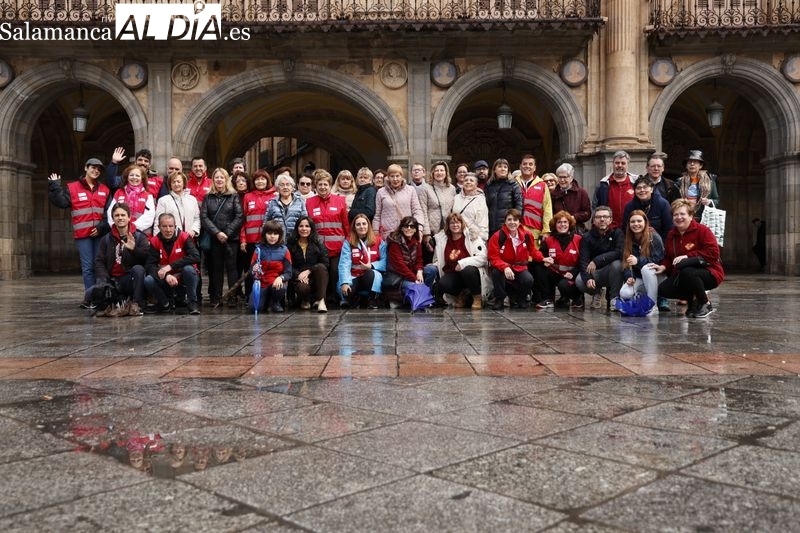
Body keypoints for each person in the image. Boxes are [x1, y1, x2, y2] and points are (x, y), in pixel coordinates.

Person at [48, 157, 111, 308]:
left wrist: (101, 227)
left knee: (100, 266)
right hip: (83, 236)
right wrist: (55, 186)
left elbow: (108, 213)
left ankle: (100, 296)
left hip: (100, 235)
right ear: (86, 168)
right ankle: (90, 297)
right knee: (88, 267)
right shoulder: (72, 187)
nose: (96, 170)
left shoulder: (105, 189)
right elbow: (61, 202)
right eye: (93, 168)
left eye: (98, 169)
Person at [654, 199, 724, 318]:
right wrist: (663, 266)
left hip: (709, 272)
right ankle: (692, 302)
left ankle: (705, 303)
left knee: (686, 268)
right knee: (663, 290)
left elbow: (713, 252)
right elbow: (668, 257)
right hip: (682, 274)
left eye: (682, 214)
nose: (679, 217)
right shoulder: (672, 235)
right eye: (675, 214)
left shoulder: (702, 230)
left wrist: (687, 256)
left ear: (691, 216)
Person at [423, 213, 490, 310]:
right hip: (453, 273)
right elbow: (440, 260)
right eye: (452, 223)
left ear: (462, 224)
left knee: (467, 271)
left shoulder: (472, 237)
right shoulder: (442, 240)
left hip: (470, 273)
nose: (455, 225)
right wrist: (433, 265)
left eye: (458, 222)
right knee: (443, 284)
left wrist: (462, 263)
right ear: (448, 225)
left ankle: (477, 297)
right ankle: (462, 295)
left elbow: (483, 258)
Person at [93, 203, 150, 317]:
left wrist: (134, 249)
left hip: (129, 279)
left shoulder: (140, 237)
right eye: (117, 215)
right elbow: (99, 261)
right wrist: (104, 279)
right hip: (112, 280)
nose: (120, 218)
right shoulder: (106, 239)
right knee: (91, 293)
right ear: (113, 218)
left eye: (123, 215)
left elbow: (147, 258)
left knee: (138, 269)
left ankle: (137, 304)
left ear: (129, 217)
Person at [200, 168, 243, 307]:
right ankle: (216, 296)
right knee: (216, 268)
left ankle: (232, 296)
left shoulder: (234, 196)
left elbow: (239, 216)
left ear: (226, 180)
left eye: (222, 177)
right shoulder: (208, 197)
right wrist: (217, 233)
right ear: (213, 180)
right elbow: (204, 217)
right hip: (214, 238)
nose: (219, 180)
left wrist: (227, 233)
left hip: (231, 239)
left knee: (232, 268)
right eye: (216, 177)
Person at [306, 169, 350, 303]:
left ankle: (335, 297)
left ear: (330, 185)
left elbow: (346, 224)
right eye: (320, 184)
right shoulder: (309, 202)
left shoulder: (340, 201)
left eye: (325, 184)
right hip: (318, 247)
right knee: (320, 273)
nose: (323, 187)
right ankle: (320, 298)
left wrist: (348, 241)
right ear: (315, 186)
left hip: (337, 247)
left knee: (335, 272)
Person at [145, 213, 201, 315]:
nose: (168, 230)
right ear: (159, 227)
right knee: (148, 280)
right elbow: (149, 266)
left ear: (175, 226)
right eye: (164, 226)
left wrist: (171, 266)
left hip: (184, 276)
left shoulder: (184, 237)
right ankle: (165, 304)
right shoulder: (155, 241)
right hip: (166, 278)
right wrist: (166, 275)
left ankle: (193, 303)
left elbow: (196, 256)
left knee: (188, 269)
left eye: (171, 226)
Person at [487, 209, 543, 310]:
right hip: (503, 267)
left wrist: (543, 258)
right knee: (496, 272)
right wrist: (505, 267)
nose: (512, 222)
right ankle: (499, 299)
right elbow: (493, 257)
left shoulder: (527, 234)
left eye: (515, 220)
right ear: (505, 222)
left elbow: (533, 251)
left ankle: (521, 298)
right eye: (509, 220)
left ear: (519, 222)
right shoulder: (497, 236)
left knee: (528, 279)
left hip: (520, 267)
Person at [575, 206, 624, 310]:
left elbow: (619, 252)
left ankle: (614, 299)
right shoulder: (587, 237)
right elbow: (583, 261)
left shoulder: (617, 233)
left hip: (612, 271)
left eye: (605, 217)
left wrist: (597, 260)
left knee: (618, 264)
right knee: (579, 280)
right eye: (598, 217)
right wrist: (588, 278)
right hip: (595, 273)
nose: (602, 219)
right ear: (594, 220)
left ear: (610, 219)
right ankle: (596, 292)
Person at [532, 211, 583, 310]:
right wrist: (544, 259)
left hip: (572, 276)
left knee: (563, 285)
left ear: (570, 224)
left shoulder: (579, 240)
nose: (562, 225)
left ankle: (577, 298)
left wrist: (573, 273)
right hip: (556, 274)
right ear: (555, 225)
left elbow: (584, 261)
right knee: (539, 267)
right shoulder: (549, 240)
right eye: (559, 222)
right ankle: (548, 299)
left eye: (565, 222)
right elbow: (537, 254)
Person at [618, 210, 664, 316]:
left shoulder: (654, 237)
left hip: (657, 276)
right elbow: (625, 263)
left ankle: (653, 305)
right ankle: (640, 300)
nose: (636, 224)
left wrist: (638, 261)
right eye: (632, 222)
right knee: (624, 293)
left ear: (645, 222)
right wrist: (629, 276)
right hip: (639, 278)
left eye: (639, 221)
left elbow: (658, 259)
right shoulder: (627, 239)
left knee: (646, 268)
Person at [241, 169, 278, 301]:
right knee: (251, 270)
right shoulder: (248, 197)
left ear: (267, 181)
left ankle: (267, 297)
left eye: (263, 179)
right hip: (251, 241)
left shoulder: (274, 196)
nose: (260, 181)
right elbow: (243, 220)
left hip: (269, 240)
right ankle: (249, 297)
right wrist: (243, 239)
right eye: (257, 179)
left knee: (268, 269)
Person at [338, 213, 386, 309]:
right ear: (354, 227)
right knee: (346, 292)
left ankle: (372, 299)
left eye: (364, 224)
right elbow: (344, 263)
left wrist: (371, 265)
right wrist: (344, 282)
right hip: (354, 275)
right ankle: (354, 298)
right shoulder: (349, 241)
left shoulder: (379, 241)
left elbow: (385, 261)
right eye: (358, 224)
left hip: (370, 275)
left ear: (369, 225)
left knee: (370, 274)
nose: (361, 227)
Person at [373, 163, 426, 240]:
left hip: (406, 233)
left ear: (401, 176)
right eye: (392, 176)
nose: (395, 179)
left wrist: (419, 229)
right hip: (387, 235)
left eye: (397, 176)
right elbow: (377, 214)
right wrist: (375, 232)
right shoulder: (381, 192)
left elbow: (417, 210)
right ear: (388, 177)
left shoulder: (410, 190)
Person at [287, 216, 329, 312]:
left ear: (311, 228)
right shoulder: (291, 244)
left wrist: (309, 271)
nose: (304, 229)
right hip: (300, 279)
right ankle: (305, 300)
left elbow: (325, 262)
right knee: (302, 288)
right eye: (301, 226)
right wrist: (298, 274)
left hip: (316, 278)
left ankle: (321, 301)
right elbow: (288, 265)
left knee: (321, 267)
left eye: (307, 226)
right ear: (297, 228)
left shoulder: (318, 243)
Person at [249, 220, 292, 314]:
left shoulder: (284, 250)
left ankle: (275, 302)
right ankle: (265, 302)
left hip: (276, 283)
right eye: (269, 233)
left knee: (280, 287)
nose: (272, 236)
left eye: (275, 234)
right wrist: (254, 270)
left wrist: (281, 278)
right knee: (253, 308)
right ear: (264, 234)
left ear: (280, 235)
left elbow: (289, 273)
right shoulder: (258, 250)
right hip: (262, 283)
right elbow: (251, 271)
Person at [417, 161, 456, 262]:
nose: (439, 173)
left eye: (442, 170)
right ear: (432, 173)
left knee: (446, 260)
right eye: (436, 170)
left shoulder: (452, 189)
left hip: (447, 231)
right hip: (432, 232)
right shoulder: (425, 188)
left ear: (446, 173)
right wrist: (426, 233)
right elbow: (423, 211)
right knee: (430, 261)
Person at [384, 216, 425, 307]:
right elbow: (400, 266)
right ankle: (401, 299)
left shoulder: (416, 242)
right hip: (399, 278)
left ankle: (422, 296)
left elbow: (419, 259)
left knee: (431, 270)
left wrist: (419, 271)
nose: (409, 228)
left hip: (412, 274)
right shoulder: (395, 243)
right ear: (401, 228)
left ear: (415, 230)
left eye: (412, 226)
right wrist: (415, 279)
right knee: (415, 287)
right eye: (406, 226)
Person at [106, 164, 155, 234]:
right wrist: (117, 226)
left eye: (137, 176)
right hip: (119, 232)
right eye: (131, 175)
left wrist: (132, 227)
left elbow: (150, 215)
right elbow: (111, 211)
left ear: (142, 178)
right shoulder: (119, 192)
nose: (134, 177)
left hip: (140, 233)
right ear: (127, 177)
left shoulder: (147, 195)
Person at [593, 150, 636, 229]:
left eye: (623, 163)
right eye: (617, 163)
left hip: (631, 228)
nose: (620, 165)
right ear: (613, 164)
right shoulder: (603, 184)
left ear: (627, 165)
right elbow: (595, 207)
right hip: (610, 229)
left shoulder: (636, 183)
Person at [623, 175, 673, 241]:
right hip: (636, 243)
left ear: (651, 189)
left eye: (645, 187)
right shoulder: (630, 206)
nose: (642, 190)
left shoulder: (663, 204)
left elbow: (669, 228)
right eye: (638, 188)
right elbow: (625, 228)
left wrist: (660, 243)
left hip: (658, 242)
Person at [676, 149, 720, 222]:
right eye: (689, 162)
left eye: (695, 162)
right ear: (686, 165)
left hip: (703, 219)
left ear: (701, 165)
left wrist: (709, 202)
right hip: (684, 219)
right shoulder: (679, 182)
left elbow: (717, 201)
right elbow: (674, 203)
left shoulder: (710, 181)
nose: (692, 164)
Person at [518, 154, 552, 243]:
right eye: (524, 164)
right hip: (515, 230)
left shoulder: (543, 185)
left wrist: (546, 230)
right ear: (520, 166)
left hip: (535, 231)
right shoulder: (513, 183)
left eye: (530, 164)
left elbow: (547, 209)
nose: (527, 166)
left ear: (535, 167)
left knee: (534, 256)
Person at [153, 173, 201, 238]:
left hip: (190, 238)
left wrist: (193, 230)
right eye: (173, 182)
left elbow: (197, 218)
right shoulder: (163, 200)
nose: (176, 184)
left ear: (184, 183)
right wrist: (157, 239)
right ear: (170, 184)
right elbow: (158, 222)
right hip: (171, 239)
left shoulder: (192, 199)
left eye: (178, 181)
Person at [485, 158, 523, 236]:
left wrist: (515, 222)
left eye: (505, 167)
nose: (503, 169)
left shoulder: (513, 185)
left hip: (508, 226)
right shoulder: (489, 185)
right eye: (500, 166)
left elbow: (519, 205)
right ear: (494, 170)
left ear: (508, 170)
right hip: (491, 226)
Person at [550, 163, 591, 232]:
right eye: (560, 177)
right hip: (558, 231)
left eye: (565, 177)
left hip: (576, 230)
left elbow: (587, 213)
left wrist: (574, 217)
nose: (562, 180)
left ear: (571, 178)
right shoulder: (553, 194)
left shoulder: (581, 193)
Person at [265, 173, 307, 239]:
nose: (285, 187)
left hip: (296, 239)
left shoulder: (300, 201)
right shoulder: (272, 202)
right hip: (277, 240)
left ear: (292, 187)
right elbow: (266, 222)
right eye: (282, 185)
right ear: (278, 188)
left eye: (288, 184)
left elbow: (305, 220)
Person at [452, 172, 489, 242]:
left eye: (471, 180)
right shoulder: (456, 198)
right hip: (456, 235)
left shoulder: (480, 199)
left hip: (473, 237)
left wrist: (481, 239)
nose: (468, 182)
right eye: (466, 180)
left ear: (476, 184)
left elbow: (483, 221)